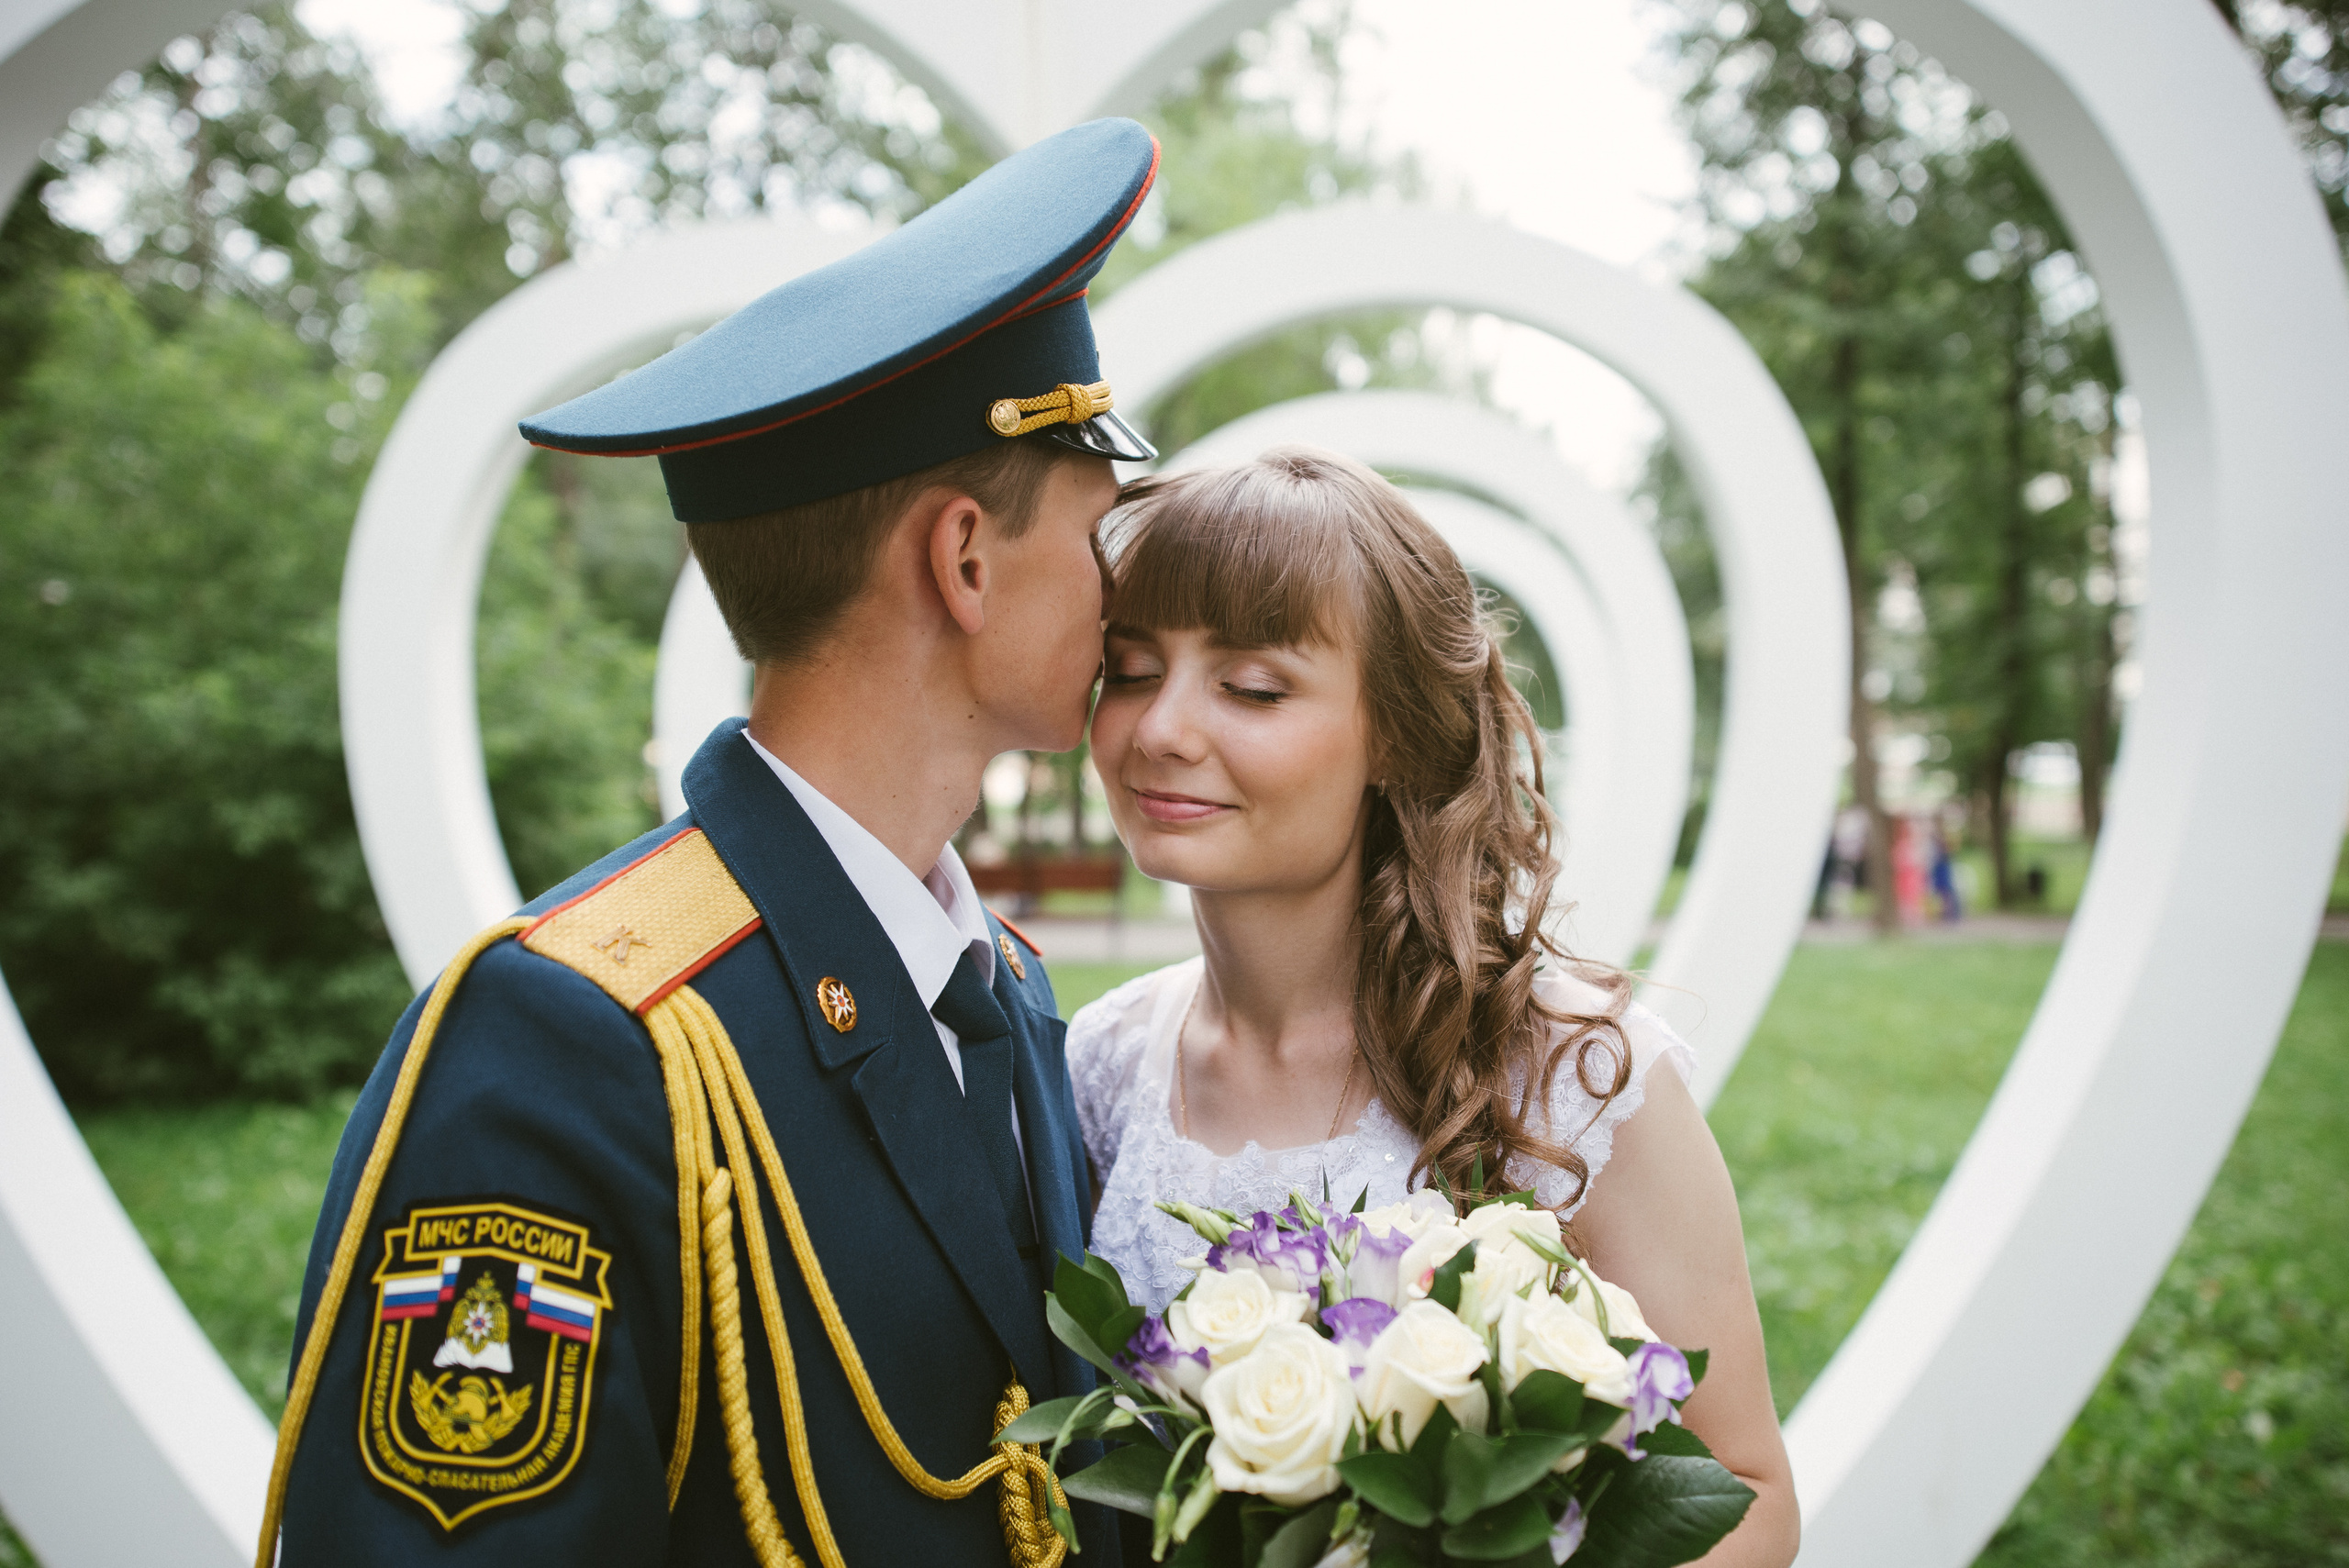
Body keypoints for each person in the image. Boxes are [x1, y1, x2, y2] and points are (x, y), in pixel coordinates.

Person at [260, 118, 1163, 1567]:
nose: (1126, 586)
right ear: (967, 561)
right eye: (1101, 531)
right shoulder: (568, 1039)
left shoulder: (998, 981)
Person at [1068, 449, 1799, 1566]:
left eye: (1252, 686)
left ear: (1396, 733)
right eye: (1127, 669)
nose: (1159, 727)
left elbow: (1748, 1497)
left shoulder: (1575, 1073)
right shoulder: (1102, 1063)